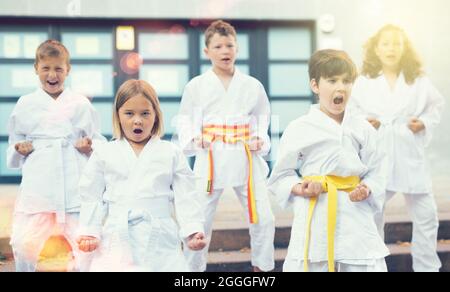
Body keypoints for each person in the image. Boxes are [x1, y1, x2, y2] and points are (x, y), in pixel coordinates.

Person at [268, 49, 390, 272]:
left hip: (355, 215)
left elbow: (378, 170)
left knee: (359, 260)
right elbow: (280, 176)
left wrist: (367, 188)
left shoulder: (362, 128)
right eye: (332, 80)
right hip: (315, 213)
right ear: (315, 85)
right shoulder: (299, 128)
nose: (340, 87)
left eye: (346, 81)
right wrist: (300, 187)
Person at [76, 79, 207, 272]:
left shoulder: (170, 152)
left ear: (156, 116)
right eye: (129, 113)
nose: (137, 120)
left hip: (160, 236)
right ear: (118, 116)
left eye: (145, 113)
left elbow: (186, 194)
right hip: (117, 235)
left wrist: (192, 229)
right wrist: (89, 231)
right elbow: (91, 194)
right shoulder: (104, 152)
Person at [177, 20, 275, 272]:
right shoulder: (196, 86)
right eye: (218, 46)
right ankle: (192, 271)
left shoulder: (252, 85)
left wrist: (260, 139)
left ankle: (261, 268)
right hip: (211, 157)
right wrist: (194, 138)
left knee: (264, 217)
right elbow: (186, 120)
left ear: (237, 48)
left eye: (229, 45)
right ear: (206, 51)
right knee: (198, 220)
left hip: (245, 156)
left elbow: (263, 119)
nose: (225, 51)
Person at [349, 24, 445, 272]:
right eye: (386, 43)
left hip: (408, 150)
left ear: (404, 48)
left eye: (396, 43)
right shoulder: (364, 80)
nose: (391, 48)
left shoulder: (418, 80)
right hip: (379, 152)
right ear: (376, 49)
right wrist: (364, 123)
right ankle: (372, 266)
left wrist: (423, 122)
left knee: (426, 215)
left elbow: (436, 106)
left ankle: (427, 267)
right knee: (372, 213)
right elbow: (352, 111)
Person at [6, 39, 105, 272]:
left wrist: (88, 146)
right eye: (46, 68)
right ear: (36, 69)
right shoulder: (25, 104)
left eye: (58, 68)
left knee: (86, 245)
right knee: (24, 243)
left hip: (74, 185)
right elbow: (13, 143)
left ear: (67, 70)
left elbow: (98, 140)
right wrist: (19, 149)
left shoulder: (80, 104)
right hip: (39, 187)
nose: (52, 74)